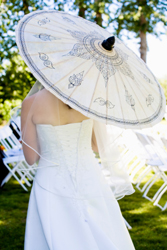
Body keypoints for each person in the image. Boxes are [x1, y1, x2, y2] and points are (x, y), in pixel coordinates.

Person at [21, 87, 135, 250]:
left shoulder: (30, 103)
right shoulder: (88, 101)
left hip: (50, 180)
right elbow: (97, 146)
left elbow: (31, 158)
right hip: (89, 176)